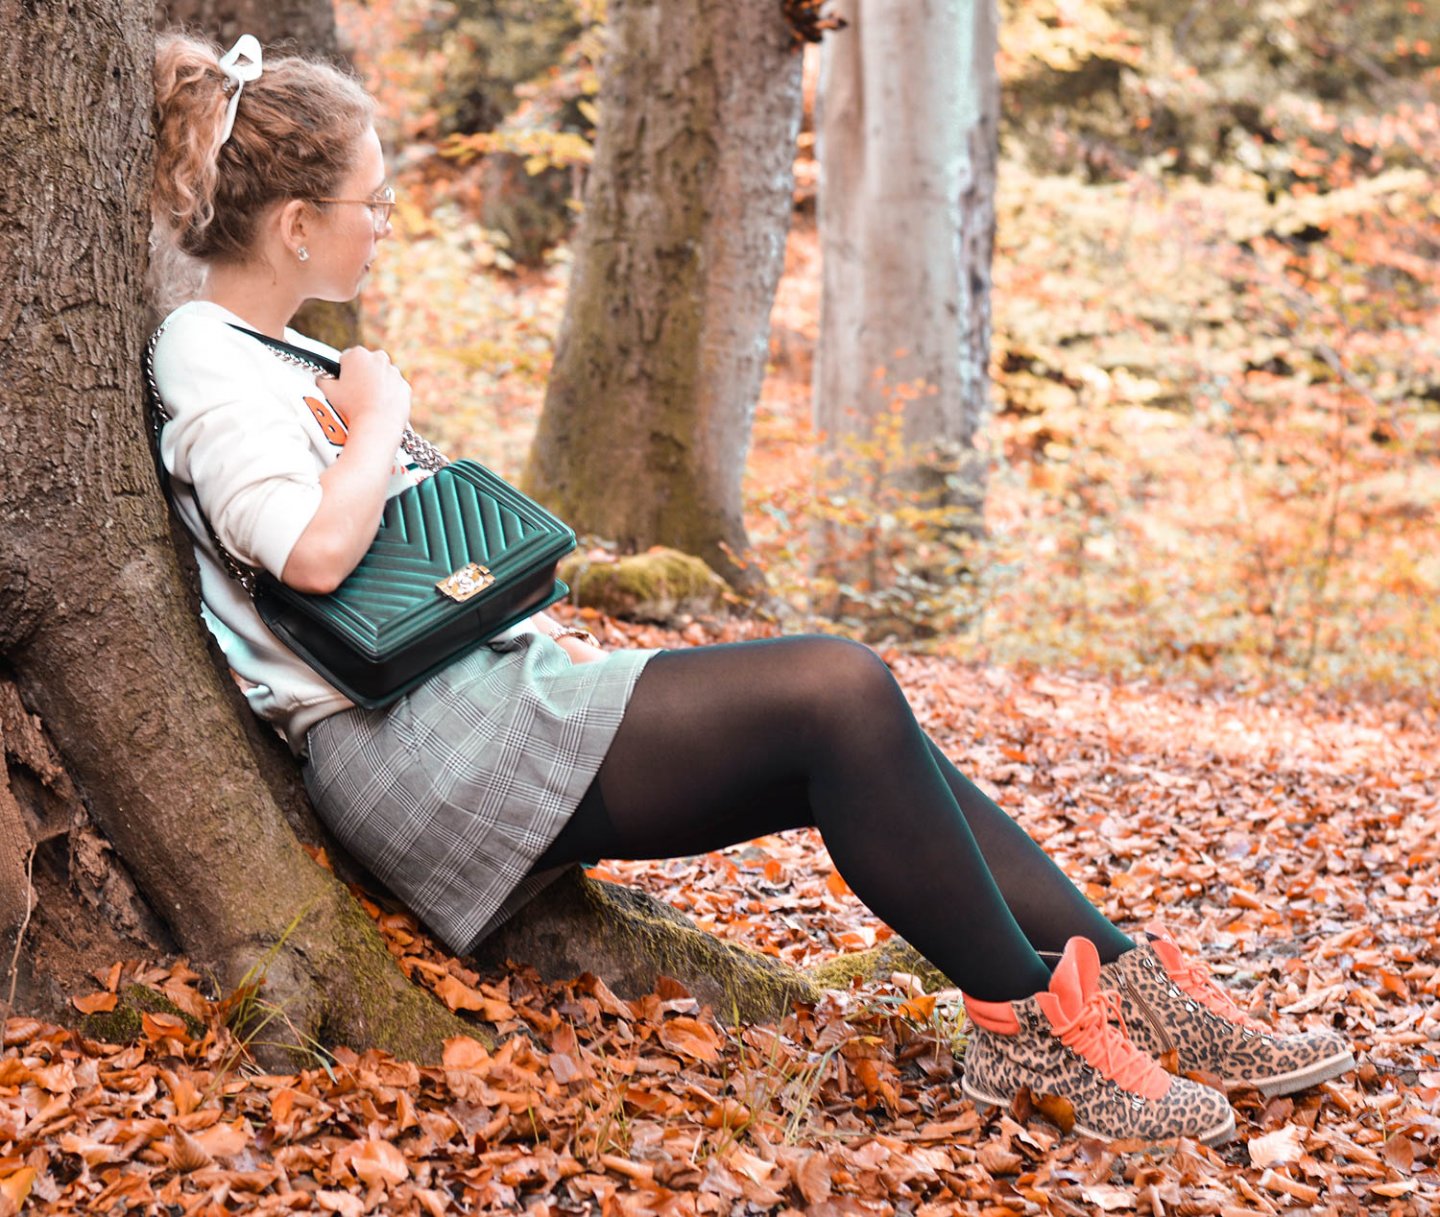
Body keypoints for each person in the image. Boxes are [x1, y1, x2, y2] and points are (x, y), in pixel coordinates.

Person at [148, 32, 1355, 1147]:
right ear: (299, 223)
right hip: (418, 744)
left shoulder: (285, 350)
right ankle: (1028, 1023)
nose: (391, 220)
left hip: (486, 698)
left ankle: (1121, 979)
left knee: (866, 735)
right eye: (374, 200)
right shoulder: (203, 350)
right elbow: (304, 555)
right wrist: (383, 423)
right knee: (838, 688)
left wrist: (371, 420)